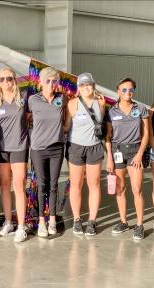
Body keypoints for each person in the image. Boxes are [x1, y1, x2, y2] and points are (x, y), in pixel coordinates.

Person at [106, 78, 149, 240]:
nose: (127, 93)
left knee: (137, 189)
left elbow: (146, 134)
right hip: (117, 151)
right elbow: (108, 137)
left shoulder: (141, 109)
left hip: (135, 151)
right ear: (118, 91)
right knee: (120, 188)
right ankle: (124, 222)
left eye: (131, 90)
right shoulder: (111, 111)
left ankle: (139, 224)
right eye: (124, 90)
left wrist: (139, 154)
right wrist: (109, 157)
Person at [64, 73, 106, 236]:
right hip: (76, 147)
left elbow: (104, 126)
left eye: (89, 85)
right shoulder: (72, 104)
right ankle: (76, 219)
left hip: (94, 147)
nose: (86, 87)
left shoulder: (101, 103)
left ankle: (92, 221)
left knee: (94, 184)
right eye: (82, 85)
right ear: (78, 88)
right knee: (76, 184)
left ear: (93, 86)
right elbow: (67, 126)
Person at [0, 68, 29, 242]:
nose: (5, 81)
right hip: (1, 148)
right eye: (1, 79)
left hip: (19, 147)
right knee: (5, 185)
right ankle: (8, 221)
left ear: (14, 80)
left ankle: (21, 226)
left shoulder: (24, 98)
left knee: (19, 185)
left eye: (9, 78)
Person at [28, 67, 66, 237]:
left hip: (57, 148)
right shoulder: (32, 100)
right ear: (40, 82)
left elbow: (68, 119)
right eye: (48, 80)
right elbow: (24, 118)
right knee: (41, 184)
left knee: (53, 185)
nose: (51, 84)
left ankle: (52, 220)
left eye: (54, 81)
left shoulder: (62, 99)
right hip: (38, 149)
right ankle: (41, 221)